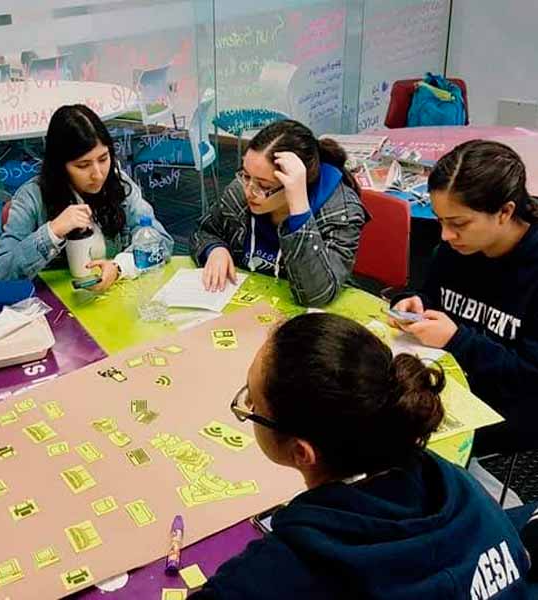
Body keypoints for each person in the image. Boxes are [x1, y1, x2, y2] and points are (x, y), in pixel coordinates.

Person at [191, 313, 531, 600]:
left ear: (302, 452)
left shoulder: (285, 568)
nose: (247, 406)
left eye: (252, 403)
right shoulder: (457, 484)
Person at [389, 140, 538, 456]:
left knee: (391, 436)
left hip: (509, 405)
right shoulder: (458, 247)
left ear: (505, 212)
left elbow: (530, 376)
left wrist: (457, 340)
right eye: (440, 220)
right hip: (445, 376)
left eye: (458, 224)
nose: (445, 235)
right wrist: (414, 303)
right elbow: (431, 295)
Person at [0, 104, 172, 291]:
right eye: (83, 165)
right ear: (60, 165)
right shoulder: (31, 197)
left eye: (103, 159)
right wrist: (53, 232)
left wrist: (119, 267)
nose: (98, 174)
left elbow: (162, 241)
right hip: (52, 306)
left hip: (113, 297)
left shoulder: (118, 183)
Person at [190, 119, 367, 307]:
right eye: (246, 175)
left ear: (297, 183)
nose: (249, 191)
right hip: (246, 305)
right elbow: (204, 231)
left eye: (264, 185)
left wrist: (299, 209)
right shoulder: (240, 191)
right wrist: (215, 249)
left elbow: (316, 295)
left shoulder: (341, 211)